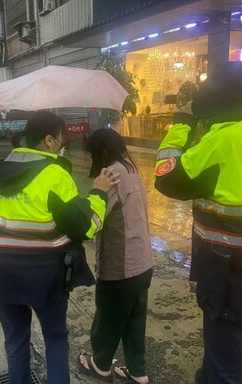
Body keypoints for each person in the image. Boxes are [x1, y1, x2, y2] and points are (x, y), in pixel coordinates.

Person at [154, 61, 242, 384]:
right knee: (231, 341)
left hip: (229, 274)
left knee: (227, 355)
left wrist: (182, 125)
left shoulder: (222, 142)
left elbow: (166, 178)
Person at [0, 110, 119, 384]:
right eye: (61, 139)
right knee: (55, 338)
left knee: (16, 340)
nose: (63, 144)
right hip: (43, 276)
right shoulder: (54, 174)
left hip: (0, 273)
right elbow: (83, 227)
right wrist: (98, 192)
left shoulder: (4, 170)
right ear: (48, 141)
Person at [77, 129, 153, 384]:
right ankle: (137, 371)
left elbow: (92, 224)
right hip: (143, 262)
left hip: (122, 266)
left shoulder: (110, 175)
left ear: (103, 153)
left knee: (107, 319)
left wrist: (94, 193)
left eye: (92, 155)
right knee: (134, 319)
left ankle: (99, 365)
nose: (91, 161)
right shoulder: (130, 167)